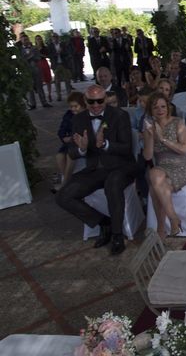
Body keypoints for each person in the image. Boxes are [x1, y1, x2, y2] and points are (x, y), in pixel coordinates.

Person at [55, 85, 137, 255]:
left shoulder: (120, 116)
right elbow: (71, 151)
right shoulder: (78, 119)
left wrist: (105, 144)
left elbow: (127, 148)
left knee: (112, 184)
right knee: (63, 196)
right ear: (85, 101)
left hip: (120, 166)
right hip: (94, 169)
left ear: (105, 99)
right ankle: (103, 222)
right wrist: (82, 149)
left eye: (100, 100)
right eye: (91, 102)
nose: (96, 105)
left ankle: (117, 235)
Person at [142, 92, 186, 238]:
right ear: (150, 109)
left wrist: (162, 139)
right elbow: (148, 156)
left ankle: (161, 229)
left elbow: (183, 150)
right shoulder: (149, 128)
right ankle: (173, 218)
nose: (160, 110)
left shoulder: (178, 122)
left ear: (168, 107)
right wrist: (151, 137)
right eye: (156, 107)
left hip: (182, 166)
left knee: (154, 186)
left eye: (163, 106)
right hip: (162, 167)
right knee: (155, 176)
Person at [53, 92, 86, 189]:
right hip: (69, 143)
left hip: (80, 143)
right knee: (59, 156)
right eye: (71, 106)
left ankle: (66, 182)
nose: (73, 109)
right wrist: (63, 137)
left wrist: (73, 137)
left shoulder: (86, 115)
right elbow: (61, 130)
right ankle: (68, 179)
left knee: (70, 156)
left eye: (76, 106)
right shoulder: (68, 115)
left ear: (83, 105)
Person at [47, 32, 73, 101]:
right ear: (52, 38)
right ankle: (59, 95)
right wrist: (56, 53)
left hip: (64, 64)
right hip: (56, 65)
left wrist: (62, 52)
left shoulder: (63, 44)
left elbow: (68, 53)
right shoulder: (50, 46)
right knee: (57, 81)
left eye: (56, 37)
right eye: (53, 37)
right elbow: (49, 55)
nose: (55, 38)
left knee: (67, 80)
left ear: (58, 38)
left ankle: (69, 95)